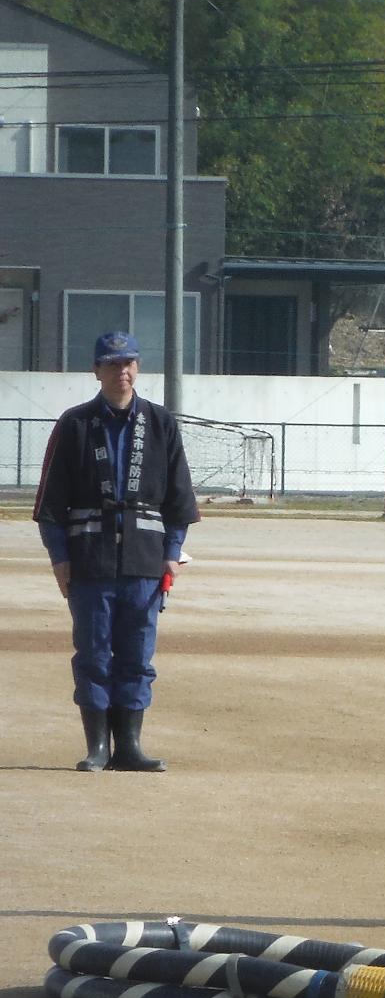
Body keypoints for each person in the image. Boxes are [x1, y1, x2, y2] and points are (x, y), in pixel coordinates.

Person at [33, 331, 199, 773]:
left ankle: (129, 746)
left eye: (129, 363)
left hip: (145, 560)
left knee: (137, 655)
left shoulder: (161, 423)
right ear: (96, 371)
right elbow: (50, 504)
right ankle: (97, 747)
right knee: (92, 652)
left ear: (138, 368)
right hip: (90, 560)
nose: (121, 372)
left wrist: (173, 553)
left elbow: (179, 501)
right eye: (111, 364)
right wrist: (59, 558)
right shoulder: (75, 424)